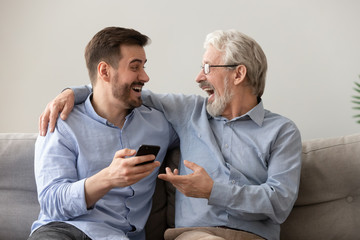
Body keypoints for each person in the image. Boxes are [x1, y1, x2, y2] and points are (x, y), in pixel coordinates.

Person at [39, 30, 302, 240]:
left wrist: (213, 191)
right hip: (195, 236)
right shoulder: (188, 112)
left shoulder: (282, 131)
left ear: (239, 73)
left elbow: (280, 204)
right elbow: (116, 90)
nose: (199, 77)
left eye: (208, 67)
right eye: (202, 67)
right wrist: (71, 93)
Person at [30, 27, 178, 240]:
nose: (145, 77)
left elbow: (208, 125)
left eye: (144, 67)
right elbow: (52, 203)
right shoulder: (62, 122)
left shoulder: (160, 124)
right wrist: (108, 178)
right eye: (135, 67)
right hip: (63, 231)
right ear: (104, 71)